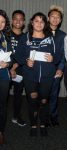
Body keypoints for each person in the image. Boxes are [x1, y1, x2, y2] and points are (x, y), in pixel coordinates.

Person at [15, 12, 55, 137]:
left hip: (46, 76)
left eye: (42, 21)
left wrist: (53, 58)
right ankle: (33, 124)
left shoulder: (50, 38)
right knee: (32, 100)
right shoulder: (25, 38)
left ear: (45, 24)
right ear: (32, 23)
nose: (39, 23)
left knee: (43, 101)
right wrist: (25, 61)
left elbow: (59, 55)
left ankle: (43, 124)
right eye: (36, 21)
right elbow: (18, 55)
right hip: (30, 76)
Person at [47, 5, 66, 127]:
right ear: (48, 18)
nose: (55, 19)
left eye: (57, 17)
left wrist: (60, 69)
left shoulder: (64, 35)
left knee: (54, 94)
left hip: (56, 70)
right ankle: (43, 117)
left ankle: (53, 116)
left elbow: (65, 55)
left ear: (60, 20)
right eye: (52, 16)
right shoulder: (40, 32)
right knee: (42, 95)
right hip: (41, 71)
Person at [10, 10, 26, 127]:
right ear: (11, 20)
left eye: (21, 19)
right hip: (4, 68)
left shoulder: (26, 37)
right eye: (16, 18)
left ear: (24, 22)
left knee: (18, 94)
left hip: (20, 69)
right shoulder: (5, 35)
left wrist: (15, 66)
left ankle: (16, 116)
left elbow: (27, 54)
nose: (18, 21)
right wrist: (10, 67)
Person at [0, 9, 12, 145]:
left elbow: (12, 59)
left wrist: (7, 63)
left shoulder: (6, 38)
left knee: (2, 106)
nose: (0, 24)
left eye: (3, 22)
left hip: (3, 77)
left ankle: (1, 131)